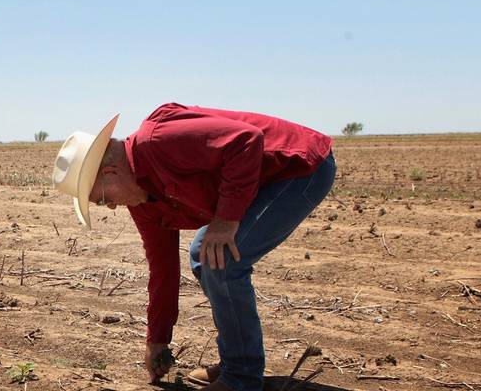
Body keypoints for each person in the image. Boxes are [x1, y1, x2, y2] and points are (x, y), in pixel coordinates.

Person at [51, 103, 335, 391]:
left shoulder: (158, 141)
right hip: (261, 182)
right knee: (204, 255)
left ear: (110, 172)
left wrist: (225, 220)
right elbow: (163, 268)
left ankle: (242, 378)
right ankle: (235, 364)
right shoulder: (143, 203)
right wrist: (157, 339)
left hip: (299, 168)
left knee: (221, 257)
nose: (110, 206)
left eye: (100, 199)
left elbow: (246, 140)